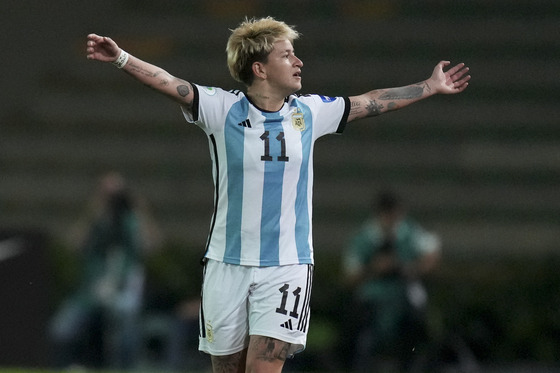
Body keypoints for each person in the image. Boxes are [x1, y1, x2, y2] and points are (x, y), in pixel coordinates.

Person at [85, 16, 469, 373]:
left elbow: (371, 101)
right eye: (287, 55)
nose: (299, 61)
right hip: (225, 264)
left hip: (287, 267)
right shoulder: (222, 109)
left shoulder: (310, 112)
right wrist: (120, 57)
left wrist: (429, 86)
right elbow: (168, 81)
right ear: (260, 68)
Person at [49, 172, 157, 370]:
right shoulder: (98, 220)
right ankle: (70, 366)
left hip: (123, 286)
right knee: (62, 329)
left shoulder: (131, 221)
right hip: (92, 289)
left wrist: (140, 211)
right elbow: (73, 245)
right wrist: (94, 213)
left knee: (125, 329)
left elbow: (150, 247)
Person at [342, 190, 441, 372]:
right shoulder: (365, 237)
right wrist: (374, 268)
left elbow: (431, 253)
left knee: (417, 329)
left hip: (404, 293)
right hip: (372, 298)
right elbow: (350, 276)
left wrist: (410, 268)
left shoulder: (409, 231)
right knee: (361, 334)